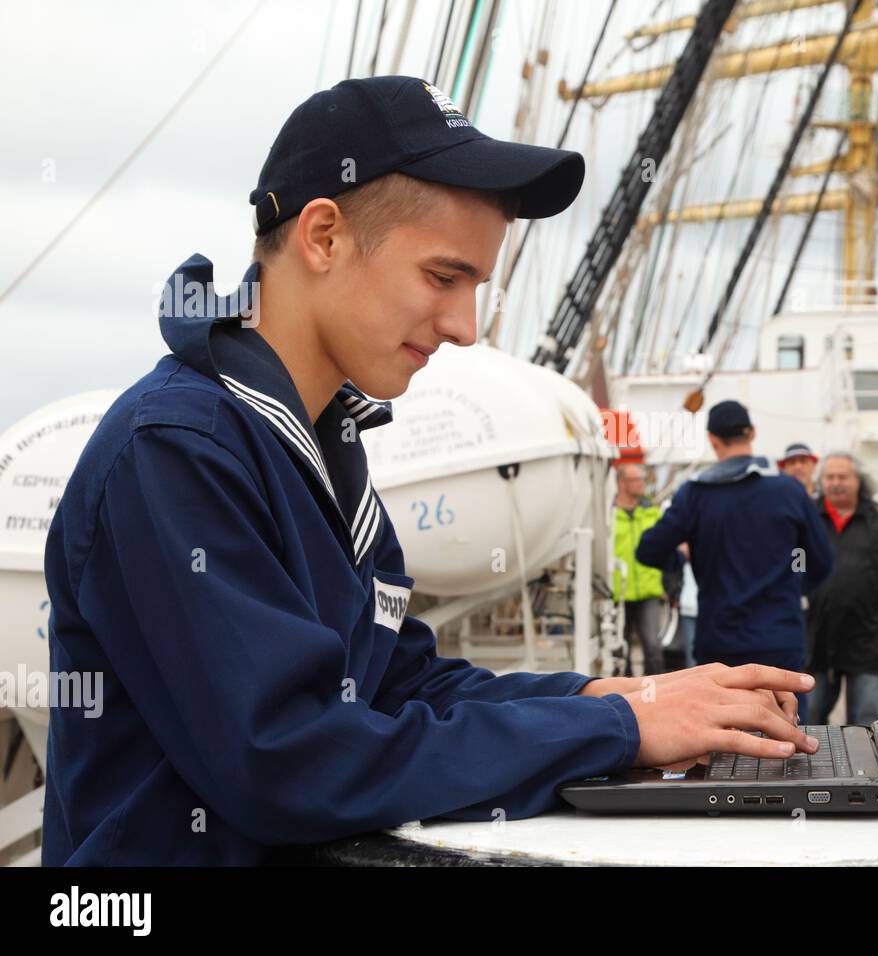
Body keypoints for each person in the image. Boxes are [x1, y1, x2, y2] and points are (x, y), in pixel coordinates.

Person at [40, 76, 819, 866]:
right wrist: (616, 731)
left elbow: (401, 685)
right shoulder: (176, 450)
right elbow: (287, 762)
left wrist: (626, 698)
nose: (465, 328)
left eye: (475, 288)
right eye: (444, 278)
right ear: (324, 237)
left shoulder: (320, 444)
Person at [635, 400, 834, 723]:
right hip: (779, 635)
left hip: (720, 639)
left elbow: (648, 550)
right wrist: (791, 584)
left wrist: (680, 558)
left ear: (712, 440)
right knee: (789, 728)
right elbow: (822, 560)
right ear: (752, 433)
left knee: (725, 736)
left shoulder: (695, 494)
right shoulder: (788, 490)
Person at [805, 453, 878, 726]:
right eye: (829, 477)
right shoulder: (808, 518)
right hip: (815, 638)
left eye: (842, 477)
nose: (835, 483)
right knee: (808, 717)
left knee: (868, 720)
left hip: (867, 640)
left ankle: (866, 770)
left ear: (859, 481)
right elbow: (794, 560)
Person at [611, 463, 668, 675]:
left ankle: (658, 695)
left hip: (648, 591)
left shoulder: (652, 513)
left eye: (643, 479)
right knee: (619, 649)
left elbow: (667, 548)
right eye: (637, 480)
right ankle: (626, 695)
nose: (642, 484)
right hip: (618, 593)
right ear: (622, 483)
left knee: (653, 646)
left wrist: (669, 584)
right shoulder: (608, 515)